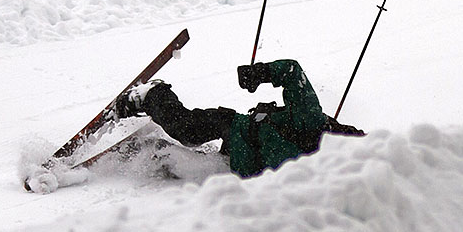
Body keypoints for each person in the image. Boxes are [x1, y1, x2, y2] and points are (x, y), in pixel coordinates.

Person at [114, 60, 365, 178]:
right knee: (187, 131)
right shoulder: (311, 122)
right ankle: (151, 95)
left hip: (233, 167)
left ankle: (144, 152)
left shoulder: (317, 177)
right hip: (235, 128)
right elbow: (292, 71)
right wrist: (259, 73)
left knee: (188, 169)